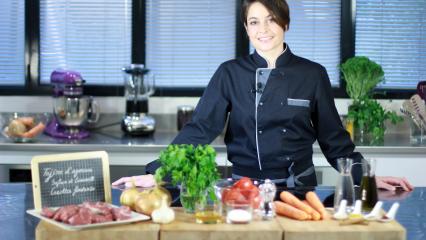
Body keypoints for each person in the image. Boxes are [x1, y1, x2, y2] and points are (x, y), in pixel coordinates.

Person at [113, 0, 413, 191]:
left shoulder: (312, 74)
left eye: (271, 19)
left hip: (299, 190)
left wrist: (366, 177)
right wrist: (158, 172)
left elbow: (334, 140)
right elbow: (200, 129)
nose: (263, 29)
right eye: (254, 21)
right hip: (243, 189)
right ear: (246, 28)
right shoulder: (229, 73)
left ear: (285, 23)